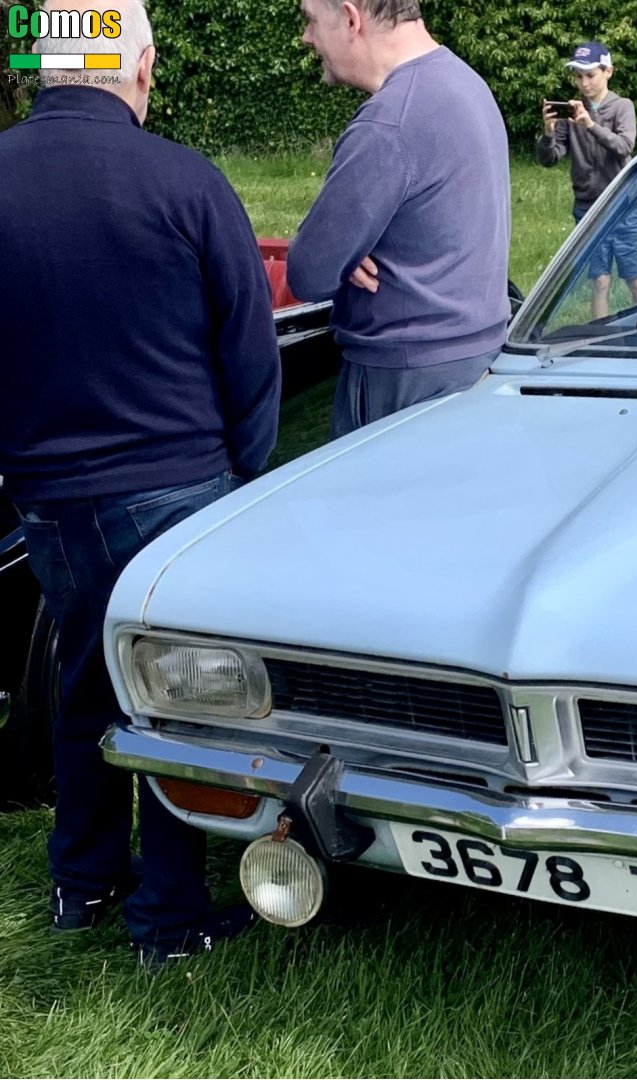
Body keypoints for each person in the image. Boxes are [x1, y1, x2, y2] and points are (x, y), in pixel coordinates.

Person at [0, 0, 279, 969]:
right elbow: (250, 349)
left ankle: (82, 881)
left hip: (47, 493)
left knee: (84, 679)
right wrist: (247, 480)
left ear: (40, 67)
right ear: (143, 67)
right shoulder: (184, 179)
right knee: (176, 704)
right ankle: (170, 915)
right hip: (174, 484)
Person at [287, 0, 511, 439]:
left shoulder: (389, 124)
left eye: (311, 21)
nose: (307, 37)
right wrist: (347, 252)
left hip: (403, 379)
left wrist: (343, 253)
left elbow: (309, 272)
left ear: (351, 19)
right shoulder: (465, 83)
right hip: (476, 361)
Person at [537, 40, 637, 319]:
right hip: (587, 208)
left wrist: (590, 125)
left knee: (636, 280)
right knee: (599, 282)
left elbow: (624, 146)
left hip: (623, 204)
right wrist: (549, 134)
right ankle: (599, 342)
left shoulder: (623, 107)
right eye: (578, 76)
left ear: (608, 72)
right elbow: (550, 159)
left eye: (590, 75)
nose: (584, 83)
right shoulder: (571, 113)